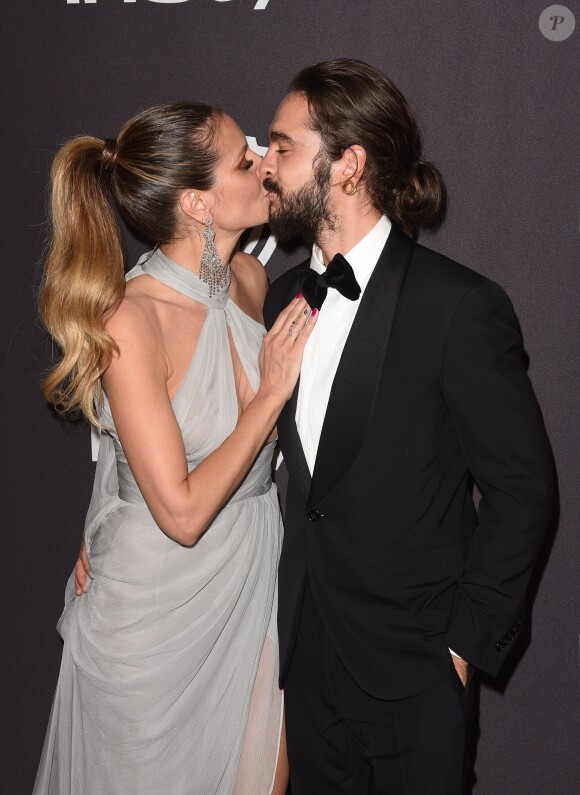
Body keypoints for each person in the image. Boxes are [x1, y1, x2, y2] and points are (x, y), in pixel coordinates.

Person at [260, 59, 556, 794]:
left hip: (417, 666)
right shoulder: (280, 298)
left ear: (348, 164)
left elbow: (523, 490)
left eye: (283, 147)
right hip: (309, 656)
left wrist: (462, 646)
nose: (266, 164)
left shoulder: (457, 306)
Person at [34, 101, 317, 794]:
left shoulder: (252, 283)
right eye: (245, 160)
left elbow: (127, 455)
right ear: (197, 203)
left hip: (250, 571)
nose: (265, 164)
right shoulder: (131, 320)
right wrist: (270, 395)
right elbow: (181, 514)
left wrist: (97, 521)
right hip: (155, 610)